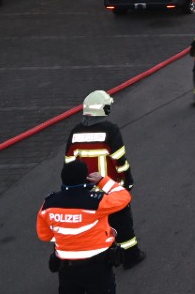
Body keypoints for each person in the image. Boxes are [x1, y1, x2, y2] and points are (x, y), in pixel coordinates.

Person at [64, 90, 146, 269]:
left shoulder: (75, 132)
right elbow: (120, 161)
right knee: (123, 224)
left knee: (92, 226)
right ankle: (130, 256)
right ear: (104, 109)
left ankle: (97, 257)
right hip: (108, 189)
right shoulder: (110, 130)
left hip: (84, 192)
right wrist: (127, 181)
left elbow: (69, 165)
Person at [36, 159, 131, 294]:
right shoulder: (96, 202)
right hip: (97, 268)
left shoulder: (48, 205)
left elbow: (44, 235)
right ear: (85, 179)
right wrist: (101, 180)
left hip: (66, 270)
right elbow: (123, 196)